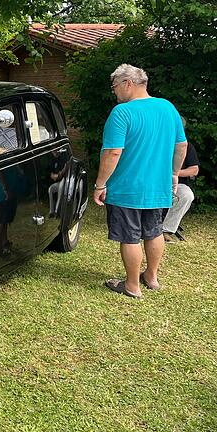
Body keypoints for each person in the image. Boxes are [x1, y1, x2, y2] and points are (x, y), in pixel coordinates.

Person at [93, 64, 188, 299]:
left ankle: (132, 286)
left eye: (115, 87)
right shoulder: (168, 108)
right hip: (159, 187)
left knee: (130, 236)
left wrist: (100, 185)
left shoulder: (122, 113)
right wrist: (174, 174)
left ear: (128, 84)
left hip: (127, 189)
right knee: (154, 232)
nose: (114, 92)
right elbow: (181, 146)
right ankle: (152, 277)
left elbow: (113, 152)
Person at [162, 119, 199, 242]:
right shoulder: (157, 143)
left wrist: (174, 174)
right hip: (153, 182)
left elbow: (194, 170)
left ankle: (166, 230)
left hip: (178, 184)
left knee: (187, 195)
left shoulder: (188, 147)